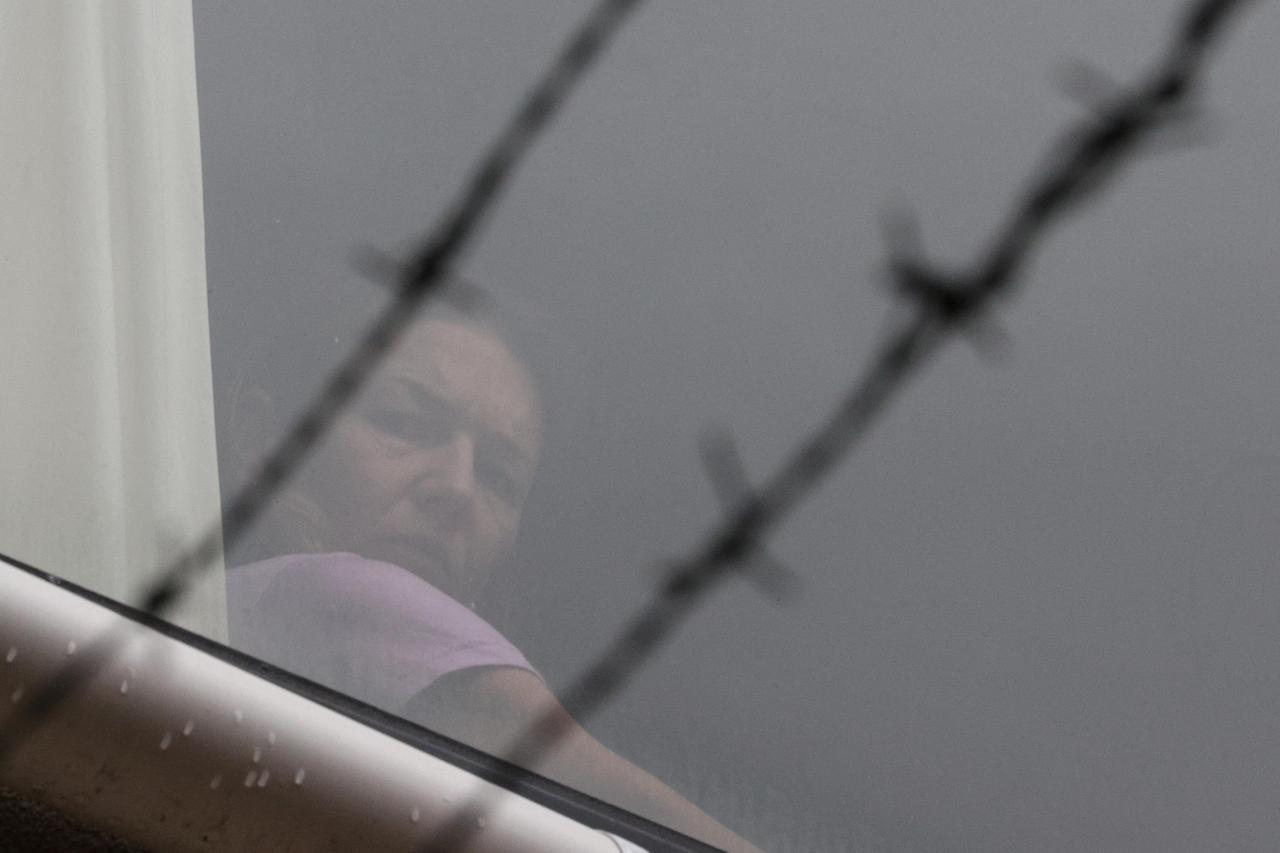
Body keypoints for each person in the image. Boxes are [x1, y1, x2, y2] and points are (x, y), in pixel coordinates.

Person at [222, 296, 764, 852]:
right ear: (264, 435)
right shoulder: (318, 591)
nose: (457, 487)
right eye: (404, 423)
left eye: (499, 477)